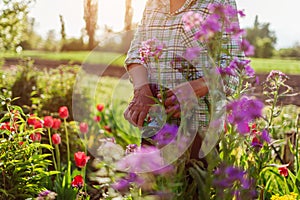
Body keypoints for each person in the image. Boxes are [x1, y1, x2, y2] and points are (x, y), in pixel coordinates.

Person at [123, 0, 244, 159]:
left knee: (195, 180)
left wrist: (196, 88)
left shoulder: (219, 2)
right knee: (152, 182)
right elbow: (135, 54)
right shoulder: (153, 3)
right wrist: (141, 89)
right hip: (154, 125)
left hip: (199, 129)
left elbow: (233, 65)